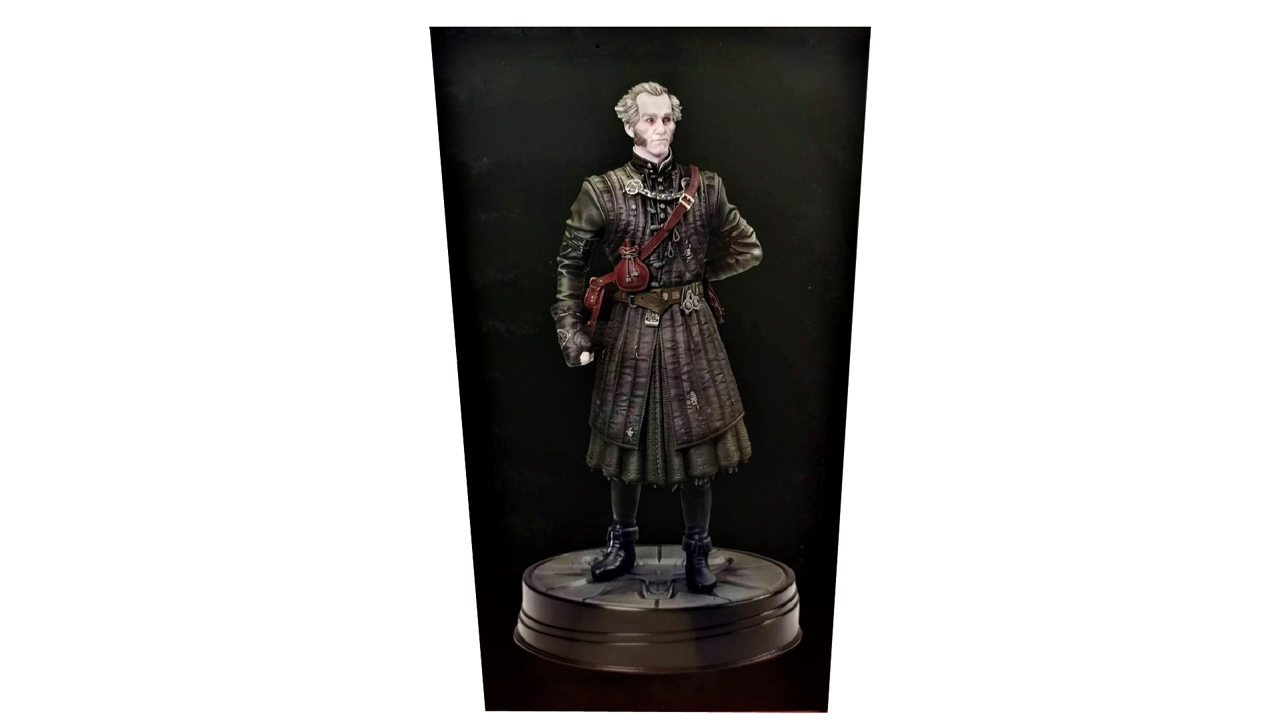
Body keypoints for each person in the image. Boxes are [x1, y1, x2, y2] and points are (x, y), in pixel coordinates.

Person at [550, 82, 762, 593]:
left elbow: (747, 247)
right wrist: (571, 330)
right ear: (630, 126)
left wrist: (697, 277)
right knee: (624, 441)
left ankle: (697, 549)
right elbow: (570, 266)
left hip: (691, 328)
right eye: (649, 119)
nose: (660, 128)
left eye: (667, 119)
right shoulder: (601, 191)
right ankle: (622, 543)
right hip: (629, 331)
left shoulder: (706, 187)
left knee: (698, 446)